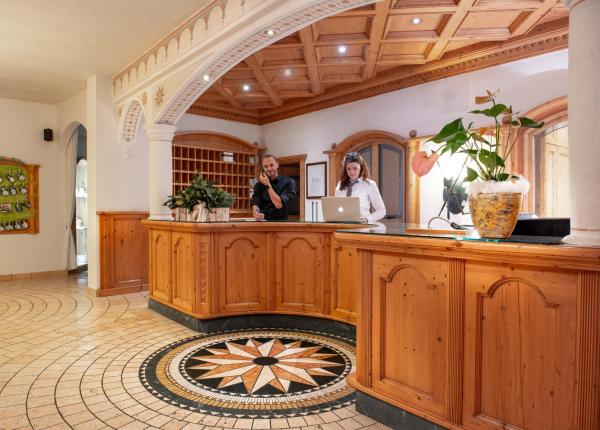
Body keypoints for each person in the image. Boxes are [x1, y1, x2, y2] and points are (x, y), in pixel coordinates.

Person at [334, 151, 386, 223]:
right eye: (348, 169)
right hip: (342, 227)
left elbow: (382, 211)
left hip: (362, 228)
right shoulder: (340, 185)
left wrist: (367, 219)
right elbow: (336, 208)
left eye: (355, 168)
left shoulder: (369, 185)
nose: (351, 172)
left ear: (361, 168)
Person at [251, 154, 296, 220]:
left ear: (277, 165)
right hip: (263, 223)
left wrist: (268, 185)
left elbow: (278, 204)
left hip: (281, 224)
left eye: (271, 165)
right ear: (263, 168)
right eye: (266, 166)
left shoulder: (289, 182)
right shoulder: (258, 185)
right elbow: (255, 203)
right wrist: (256, 213)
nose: (269, 168)